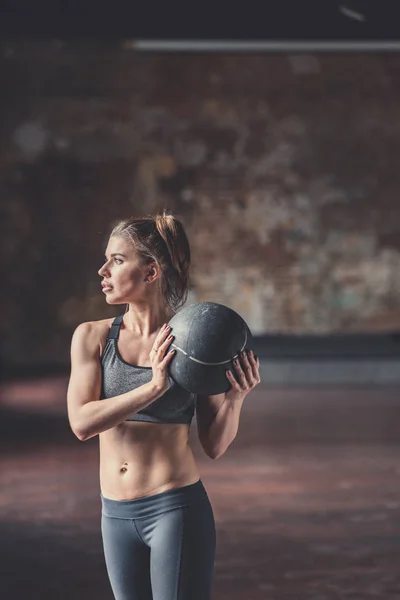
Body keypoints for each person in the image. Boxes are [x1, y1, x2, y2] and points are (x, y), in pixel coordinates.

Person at [67, 210, 261, 600]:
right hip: (114, 514)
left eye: (117, 260)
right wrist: (153, 387)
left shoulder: (194, 344)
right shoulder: (92, 337)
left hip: (175, 509)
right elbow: (82, 422)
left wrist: (235, 399)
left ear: (151, 272)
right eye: (107, 259)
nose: (103, 270)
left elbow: (215, 445)